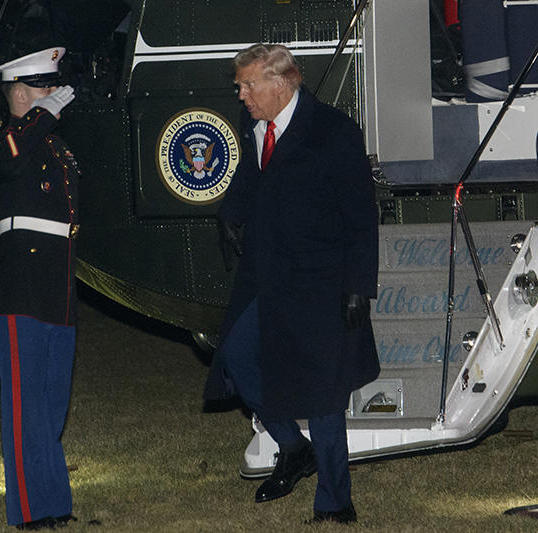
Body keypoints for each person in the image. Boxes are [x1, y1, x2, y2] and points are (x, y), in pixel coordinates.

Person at [203, 43, 380, 524]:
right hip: (266, 278)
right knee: (235, 358)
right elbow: (251, 178)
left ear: (281, 83)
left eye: (248, 85)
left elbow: (360, 215)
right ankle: (292, 446)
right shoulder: (255, 126)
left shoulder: (333, 131)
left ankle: (335, 502)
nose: (241, 95)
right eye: (240, 86)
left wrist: (358, 286)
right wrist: (230, 213)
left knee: (324, 394)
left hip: (321, 282)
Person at [0, 46, 80, 530]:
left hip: (57, 285)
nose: (55, 94)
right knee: (25, 407)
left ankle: (55, 504)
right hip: (19, 286)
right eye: (45, 88)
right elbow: (6, 162)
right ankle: (28, 511)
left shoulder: (56, 148)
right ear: (19, 93)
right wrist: (42, 116)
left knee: (52, 404)